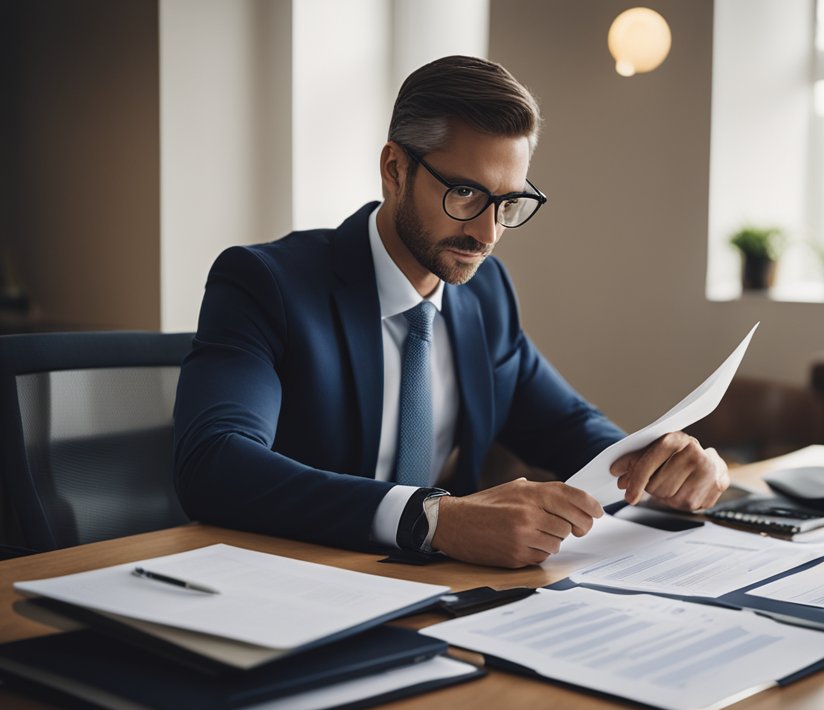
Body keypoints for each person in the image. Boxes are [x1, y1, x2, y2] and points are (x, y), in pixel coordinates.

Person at [173, 55, 728, 568]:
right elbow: (214, 464)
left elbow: (565, 425)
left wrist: (657, 464)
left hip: (446, 596)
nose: (487, 233)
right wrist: (434, 518)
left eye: (508, 202)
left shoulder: (485, 295)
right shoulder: (267, 283)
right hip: (299, 580)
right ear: (394, 169)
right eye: (465, 193)